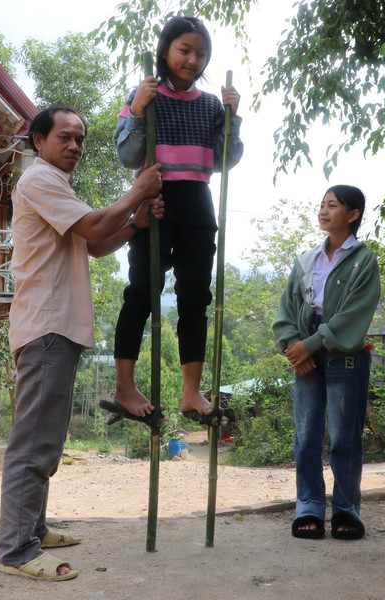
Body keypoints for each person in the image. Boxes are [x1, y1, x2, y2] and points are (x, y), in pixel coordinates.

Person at [0, 105, 163, 581]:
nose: (74, 146)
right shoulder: (40, 180)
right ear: (39, 142)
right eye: (65, 137)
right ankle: (18, 551)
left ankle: (33, 527)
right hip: (46, 325)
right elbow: (93, 227)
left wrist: (135, 224)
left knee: (45, 437)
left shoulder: (57, 184)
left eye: (80, 139)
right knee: (33, 441)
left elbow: (92, 244)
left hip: (57, 326)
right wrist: (137, 191)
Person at [110, 15, 244, 424]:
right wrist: (136, 108)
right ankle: (125, 386)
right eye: (184, 50)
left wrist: (232, 116)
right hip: (155, 198)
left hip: (197, 200)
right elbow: (129, 157)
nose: (192, 60)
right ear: (165, 51)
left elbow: (226, 159)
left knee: (195, 298)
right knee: (144, 291)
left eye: (201, 53)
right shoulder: (144, 96)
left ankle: (191, 392)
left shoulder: (209, 104)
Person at [272, 185, 380, 540]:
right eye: (321, 205)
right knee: (306, 435)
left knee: (344, 437)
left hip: (343, 352)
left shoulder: (364, 260)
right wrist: (293, 346)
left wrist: (311, 345)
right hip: (305, 345)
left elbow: (354, 315)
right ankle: (309, 507)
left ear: (353, 215)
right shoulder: (306, 259)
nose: (323, 211)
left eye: (332, 205)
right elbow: (287, 309)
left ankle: (347, 510)